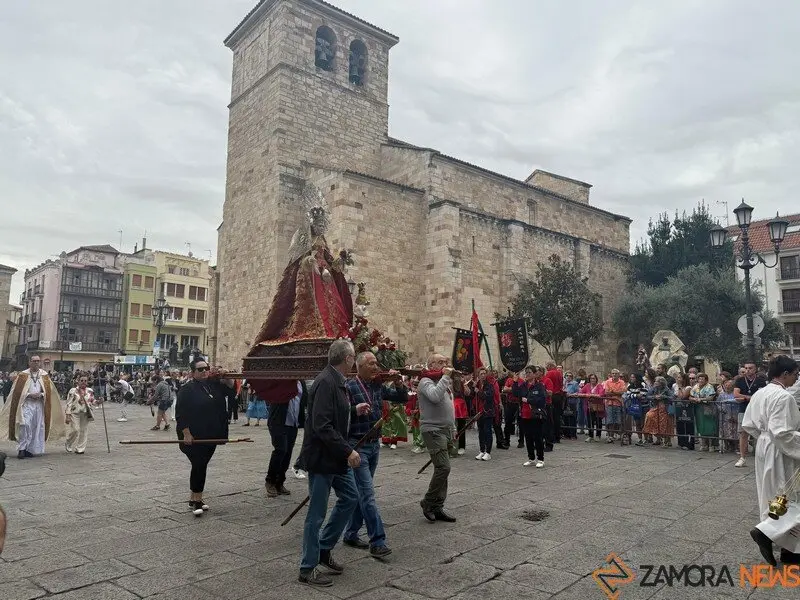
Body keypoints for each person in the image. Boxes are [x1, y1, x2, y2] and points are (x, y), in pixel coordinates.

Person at [297, 339, 368, 588]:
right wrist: (348, 450)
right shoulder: (326, 382)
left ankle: (324, 548)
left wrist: (353, 410)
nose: (354, 362)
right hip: (322, 457)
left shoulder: (337, 381)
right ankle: (307, 567)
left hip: (334, 456)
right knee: (316, 514)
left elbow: (333, 415)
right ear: (347, 359)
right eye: (353, 358)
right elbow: (322, 425)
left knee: (351, 497)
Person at [342, 352, 405, 558]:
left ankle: (351, 533)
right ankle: (377, 541)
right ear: (359, 367)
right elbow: (340, 412)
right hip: (357, 445)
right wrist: (355, 410)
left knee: (362, 492)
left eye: (377, 363)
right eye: (371, 364)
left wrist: (398, 383)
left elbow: (401, 398)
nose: (376, 367)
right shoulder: (350, 386)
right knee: (367, 494)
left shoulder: (378, 385)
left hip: (374, 445)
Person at [742, 355, 800, 566]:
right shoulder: (784, 397)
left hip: (765, 446)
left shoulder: (760, 393)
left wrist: (765, 439)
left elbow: (749, 424)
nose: (796, 378)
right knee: (787, 494)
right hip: (779, 450)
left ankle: (789, 549)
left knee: (774, 494)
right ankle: (766, 533)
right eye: (795, 374)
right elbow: (783, 433)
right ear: (784, 374)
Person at [175, 359, 229, 517]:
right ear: (192, 373)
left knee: (202, 465)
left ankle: (194, 498)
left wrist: (225, 375)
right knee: (199, 464)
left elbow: (231, 389)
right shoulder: (187, 389)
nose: (204, 371)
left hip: (211, 434)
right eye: (200, 369)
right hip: (193, 435)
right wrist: (186, 433)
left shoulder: (213, 385)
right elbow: (181, 413)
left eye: (206, 368)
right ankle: (197, 499)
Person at [0, 356, 65, 458]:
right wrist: (29, 395)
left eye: (38, 361)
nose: (36, 363)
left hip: (39, 405)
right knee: (24, 425)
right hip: (26, 404)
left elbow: (49, 392)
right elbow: (16, 393)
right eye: (34, 361)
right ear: (29, 362)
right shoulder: (22, 375)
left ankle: (30, 449)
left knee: (36, 426)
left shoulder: (44, 375)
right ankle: (22, 449)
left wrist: (41, 395)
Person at [418, 354, 457, 523]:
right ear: (431, 364)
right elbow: (434, 396)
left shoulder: (443, 381)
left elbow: (449, 405)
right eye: (441, 362)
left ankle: (438, 506)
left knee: (443, 470)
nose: (445, 365)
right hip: (433, 430)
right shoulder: (425, 381)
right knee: (444, 468)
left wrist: (453, 427)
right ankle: (428, 501)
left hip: (445, 429)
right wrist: (446, 377)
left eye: (445, 362)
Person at [265, 380, 307, 498]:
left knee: (288, 452)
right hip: (278, 420)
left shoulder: (301, 382)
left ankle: (280, 482)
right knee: (280, 449)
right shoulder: (281, 380)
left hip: (293, 422)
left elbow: (304, 400)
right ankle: (270, 481)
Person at [734, 361, 768, 467]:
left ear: (755, 369)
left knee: (759, 433)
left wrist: (743, 397)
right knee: (743, 434)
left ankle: (761, 457)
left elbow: (762, 395)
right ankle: (742, 458)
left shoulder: (761, 381)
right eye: (746, 368)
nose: (748, 370)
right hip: (743, 409)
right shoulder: (739, 380)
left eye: (750, 368)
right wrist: (751, 398)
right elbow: (736, 394)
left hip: (758, 410)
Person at [517, 366, 547, 467]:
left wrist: (529, 400)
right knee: (528, 437)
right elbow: (517, 393)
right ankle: (531, 458)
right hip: (525, 415)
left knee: (537, 437)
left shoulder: (539, 386)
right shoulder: (523, 385)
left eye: (529, 372)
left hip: (535, 415)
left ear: (534, 374)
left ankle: (540, 459)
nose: (527, 374)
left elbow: (541, 400)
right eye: (526, 372)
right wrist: (514, 381)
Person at [64, 375, 96, 454]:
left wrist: (98, 401)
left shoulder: (90, 391)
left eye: (85, 381)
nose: (83, 382)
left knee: (83, 430)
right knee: (75, 429)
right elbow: (69, 403)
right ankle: (68, 442)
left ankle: (80, 448)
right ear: (78, 381)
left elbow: (92, 401)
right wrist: (67, 415)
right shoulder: (73, 391)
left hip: (85, 413)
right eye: (81, 380)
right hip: (75, 412)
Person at [474, 367, 496, 461]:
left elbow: (488, 396)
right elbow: (471, 395)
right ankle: (482, 450)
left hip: (487, 411)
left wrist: (478, 391)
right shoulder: (477, 385)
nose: (483, 375)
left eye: (484, 373)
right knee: (481, 432)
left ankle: (488, 452)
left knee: (487, 431)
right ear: (478, 375)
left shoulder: (490, 385)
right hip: (479, 412)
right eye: (481, 374)